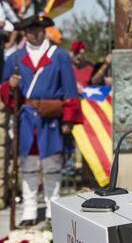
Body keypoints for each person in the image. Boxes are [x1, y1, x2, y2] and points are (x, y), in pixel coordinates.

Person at [0, 15, 82, 227]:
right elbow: (5, 94)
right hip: (26, 119)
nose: (34, 33)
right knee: (28, 165)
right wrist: (11, 84)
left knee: (52, 164)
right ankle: (29, 210)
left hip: (51, 118)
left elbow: (71, 91)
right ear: (24, 32)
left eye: (38, 29)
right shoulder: (15, 58)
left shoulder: (60, 56)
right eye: (29, 30)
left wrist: (68, 120)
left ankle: (53, 208)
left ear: (44, 30)